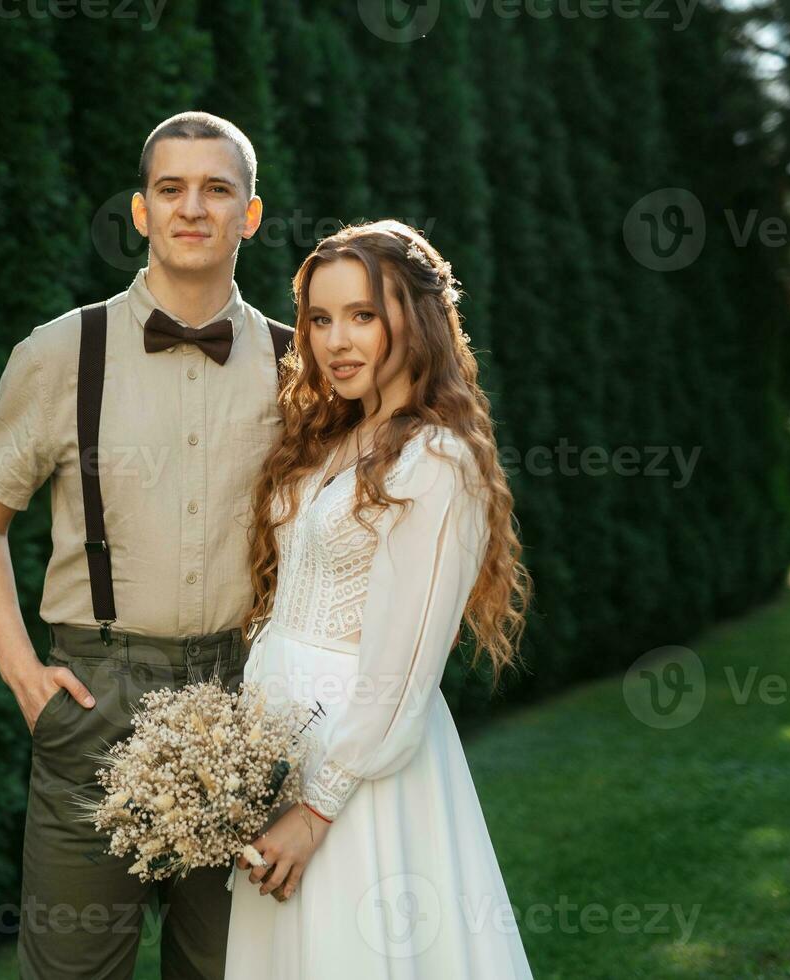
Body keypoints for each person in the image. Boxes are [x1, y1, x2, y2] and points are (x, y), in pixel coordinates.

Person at [0, 111, 290, 980]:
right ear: (140, 211)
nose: (192, 208)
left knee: (229, 971)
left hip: (245, 710)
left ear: (250, 214)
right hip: (94, 702)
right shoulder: (62, 351)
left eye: (217, 190)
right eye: (170, 188)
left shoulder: (300, 369)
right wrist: (25, 678)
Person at [224, 220, 536, 978]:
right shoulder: (329, 440)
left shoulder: (436, 459)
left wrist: (318, 810)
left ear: (417, 321)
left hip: (359, 767)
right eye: (321, 319)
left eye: (363, 315)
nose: (336, 340)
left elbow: (403, 666)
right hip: (282, 746)